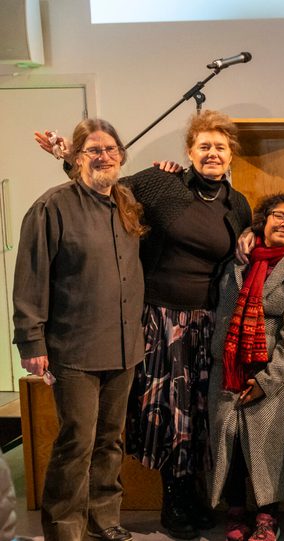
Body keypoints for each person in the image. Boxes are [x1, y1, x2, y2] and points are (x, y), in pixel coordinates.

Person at [36, 109, 254, 538]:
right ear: (189, 151)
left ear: (232, 155)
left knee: (198, 415)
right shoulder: (161, 183)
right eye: (204, 146)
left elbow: (242, 249)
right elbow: (107, 188)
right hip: (161, 319)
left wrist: (252, 234)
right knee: (170, 415)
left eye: (220, 147)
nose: (212, 153)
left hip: (208, 322)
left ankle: (193, 495)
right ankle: (174, 501)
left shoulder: (238, 204)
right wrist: (68, 157)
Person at [14, 119, 145, 541]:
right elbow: (31, 277)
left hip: (124, 348)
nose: (104, 156)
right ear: (76, 157)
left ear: (121, 154)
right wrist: (31, 341)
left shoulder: (127, 203)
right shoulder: (52, 207)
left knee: (110, 440)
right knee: (77, 443)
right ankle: (65, 529)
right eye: (93, 150)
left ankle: (104, 520)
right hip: (74, 350)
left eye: (110, 149)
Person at [208, 194, 284, 541]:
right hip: (230, 366)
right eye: (279, 216)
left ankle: (267, 516)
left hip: (272, 372)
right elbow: (222, 313)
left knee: (268, 444)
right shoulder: (237, 262)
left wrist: (268, 380)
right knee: (230, 440)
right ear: (263, 221)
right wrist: (222, 359)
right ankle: (236, 509)